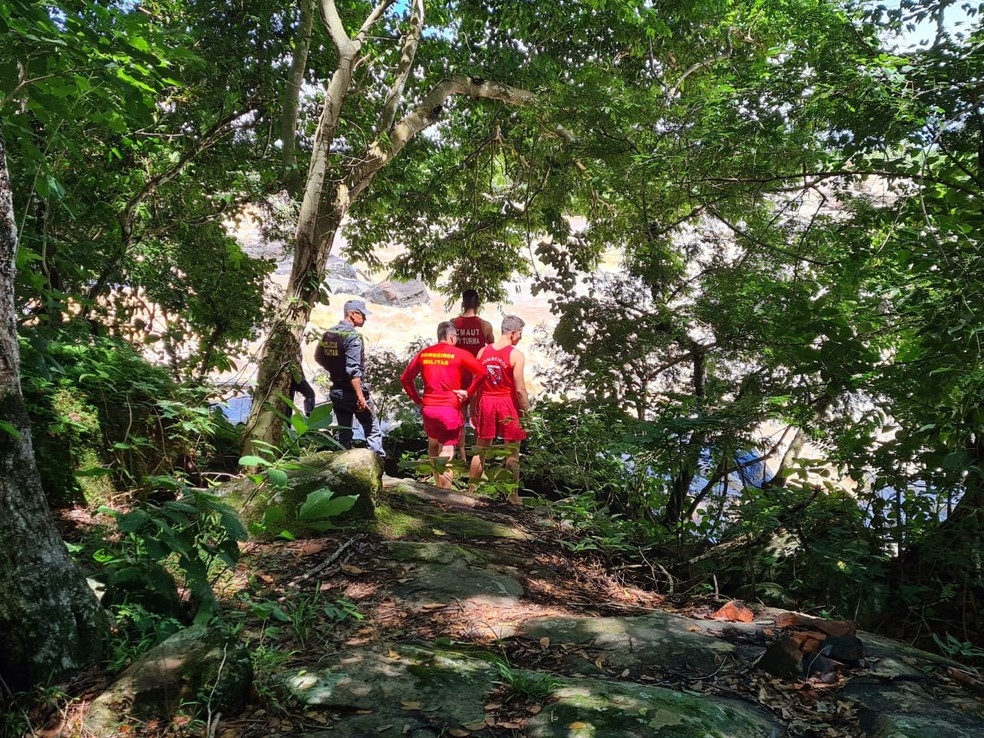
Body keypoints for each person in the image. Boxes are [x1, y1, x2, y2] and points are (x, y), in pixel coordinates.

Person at [400, 321, 486, 488]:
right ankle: (445, 496)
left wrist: (418, 401)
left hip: (429, 409)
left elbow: (405, 379)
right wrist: (467, 392)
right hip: (449, 411)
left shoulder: (424, 354)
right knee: (446, 453)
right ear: (452, 336)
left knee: (433, 445)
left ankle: (437, 487)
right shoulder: (459, 354)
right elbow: (482, 373)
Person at [470, 314, 530, 504]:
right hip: (507, 403)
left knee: (481, 449)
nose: (520, 338)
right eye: (520, 334)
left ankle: (472, 490)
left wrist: (473, 408)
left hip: (486, 401)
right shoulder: (516, 355)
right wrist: (527, 414)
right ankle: (512, 495)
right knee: (512, 450)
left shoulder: (482, 352)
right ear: (513, 333)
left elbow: (475, 384)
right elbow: (520, 389)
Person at [313, 299, 385, 458]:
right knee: (372, 429)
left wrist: (334, 369)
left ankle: (343, 469)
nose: (365, 319)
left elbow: (318, 357)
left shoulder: (329, 334)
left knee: (344, 433)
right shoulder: (353, 337)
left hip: (337, 391)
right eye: (362, 315)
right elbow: (353, 370)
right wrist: (360, 397)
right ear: (352, 314)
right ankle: (378, 467)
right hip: (353, 393)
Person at [451, 289, 495, 459]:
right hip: (477, 377)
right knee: (477, 416)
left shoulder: (453, 323)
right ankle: (478, 455)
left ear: (462, 303)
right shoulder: (485, 325)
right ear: (478, 305)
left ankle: (460, 454)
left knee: (459, 416)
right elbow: (491, 349)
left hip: (457, 376)